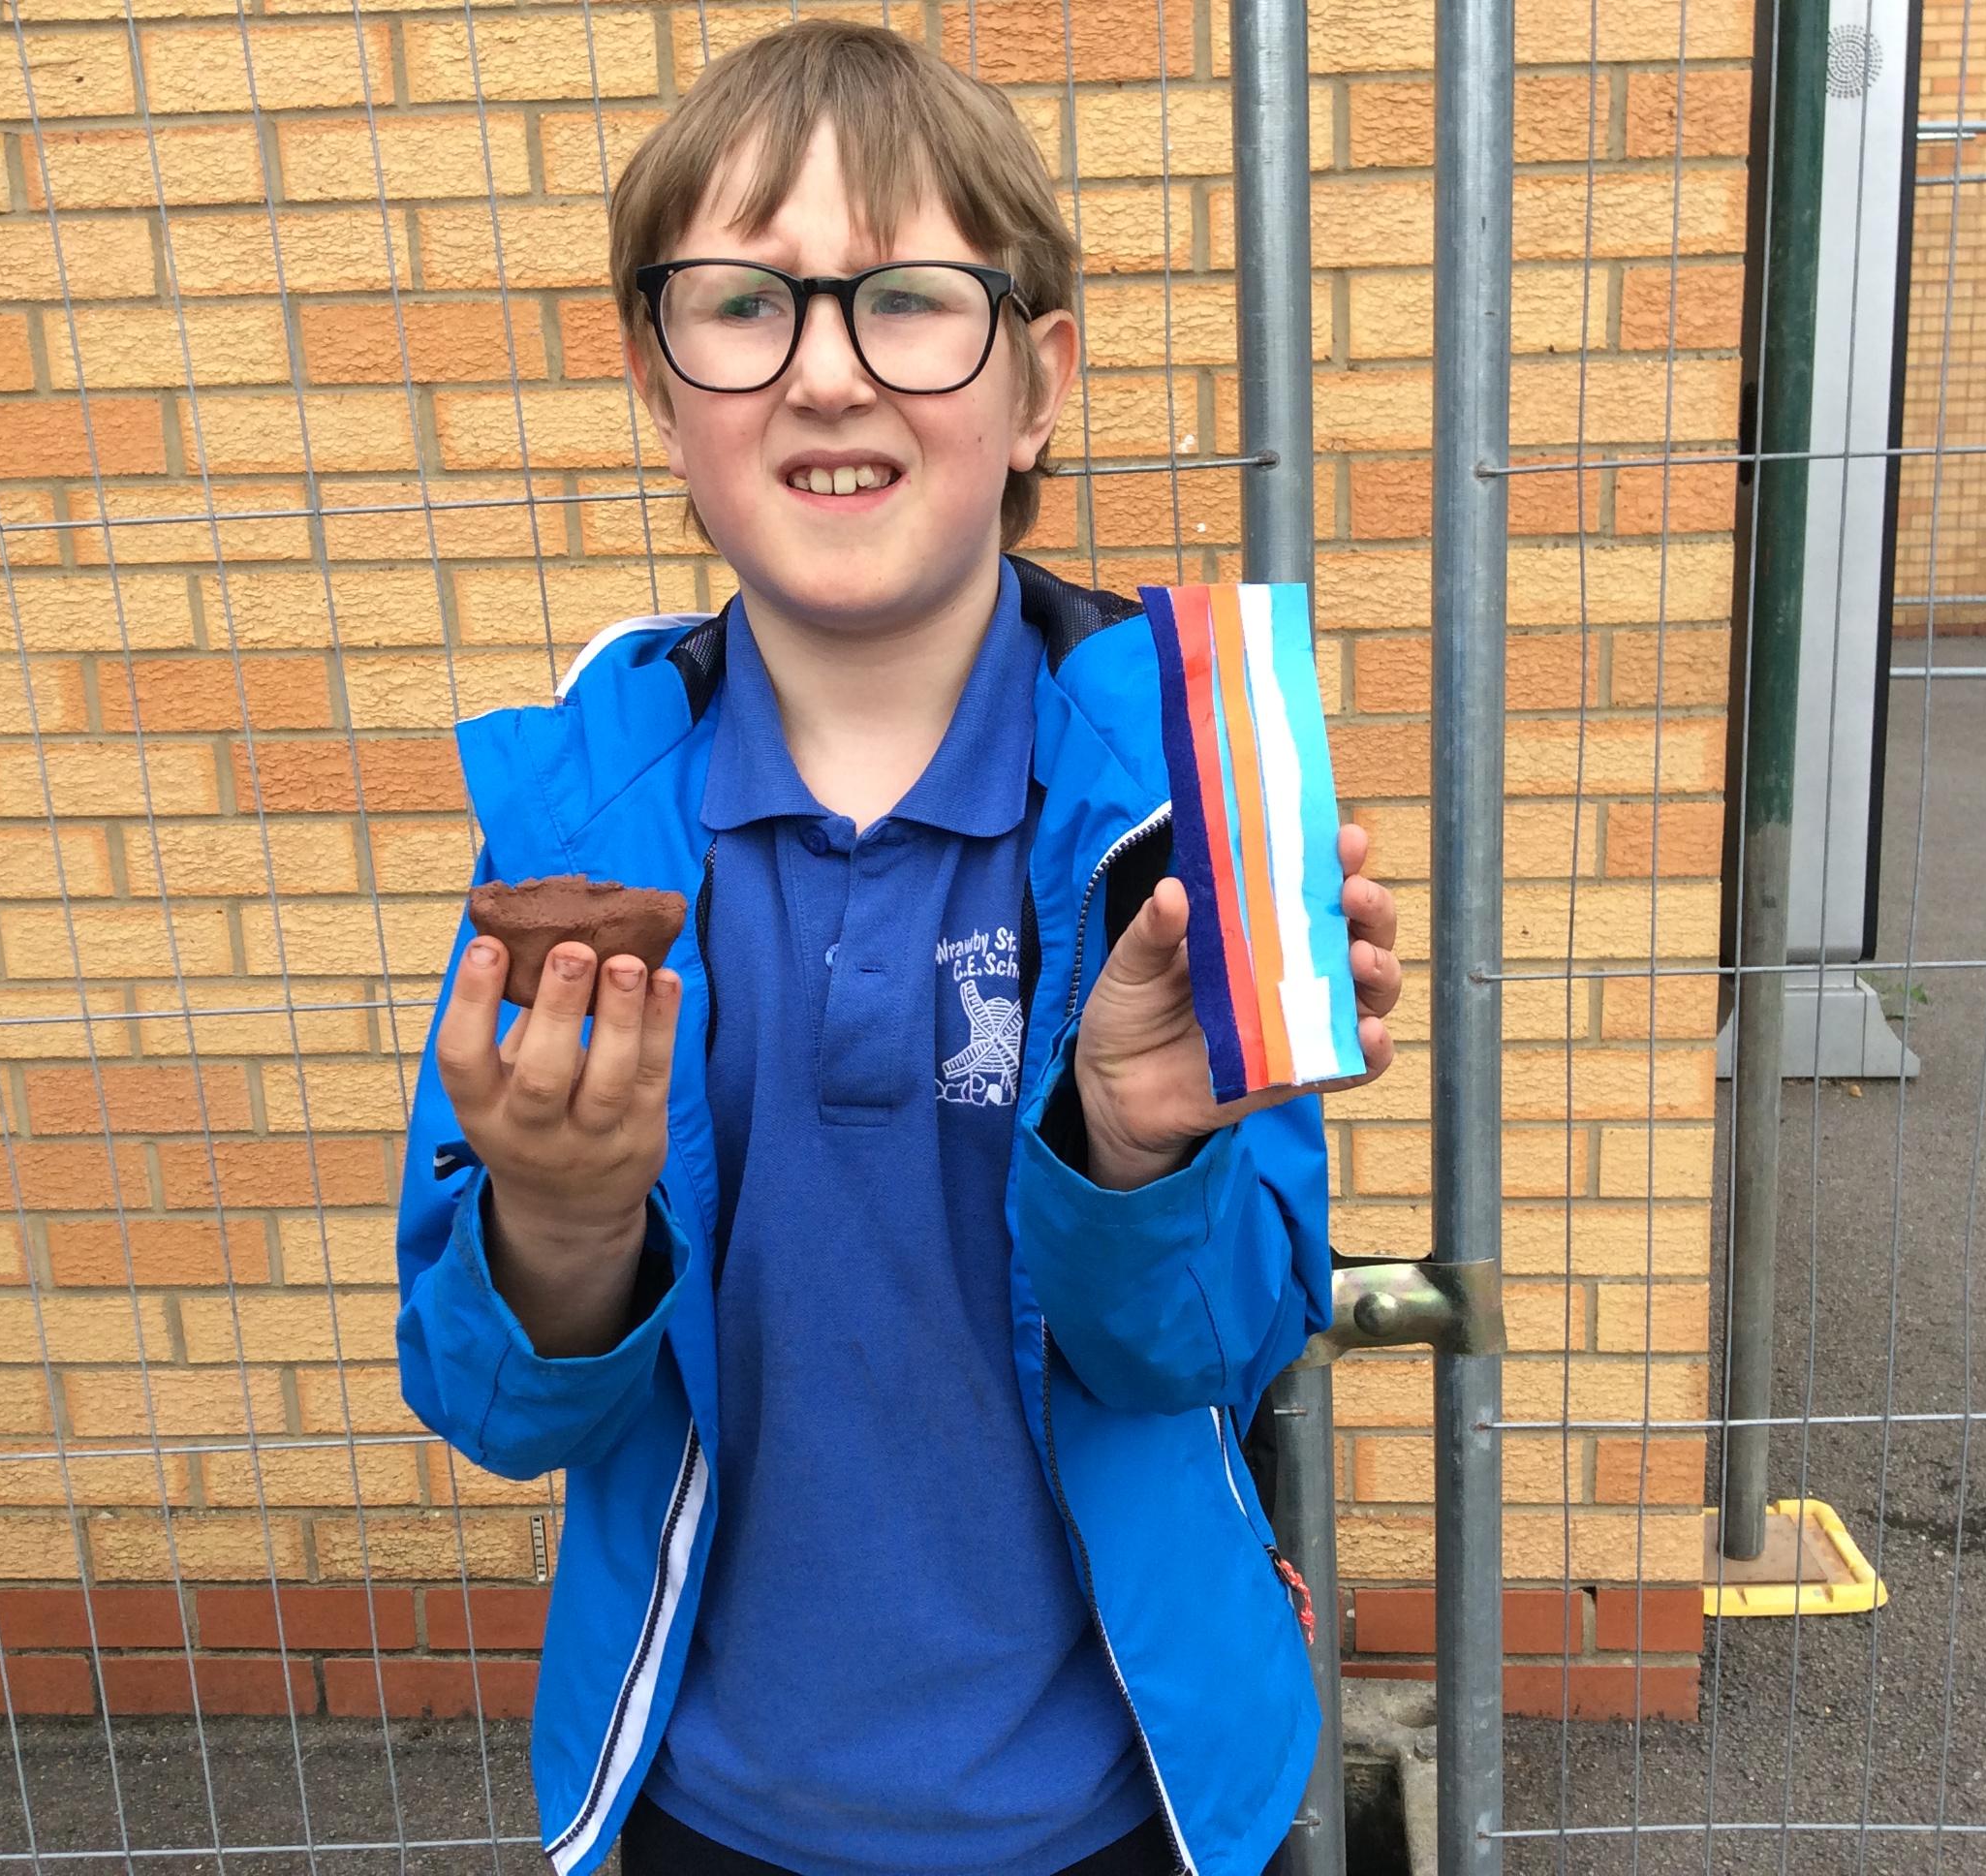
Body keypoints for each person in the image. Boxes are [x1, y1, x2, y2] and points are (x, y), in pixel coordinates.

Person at [392, 21, 1403, 1876]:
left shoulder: (1193, 809)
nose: (828, 374)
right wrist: (560, 1222)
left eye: (912, 301)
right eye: (744, 304)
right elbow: (496, 1405)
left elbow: (1223, 1343)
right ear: (660, 385)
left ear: (1038, 384)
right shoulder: (576, 827)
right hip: (701, 1812)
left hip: (1129, 1810)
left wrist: (1131, 1152)